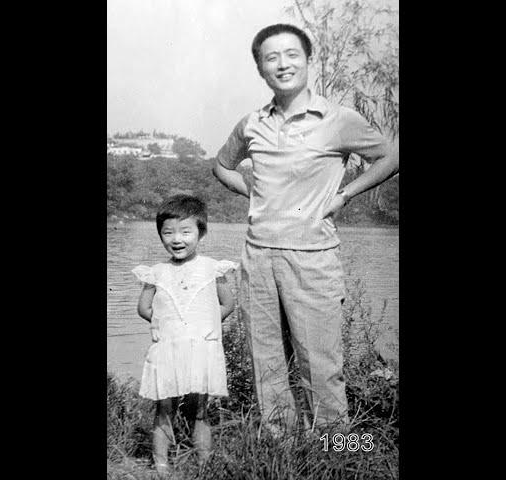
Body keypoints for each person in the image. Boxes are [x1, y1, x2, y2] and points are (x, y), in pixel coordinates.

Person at [212, 24, 399, 432]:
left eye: (292, 54)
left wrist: (346, 194)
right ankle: (282, 452)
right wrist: (255, 193)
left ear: (308, 61)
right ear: (260, 68)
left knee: (321, 367)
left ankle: (340, 453)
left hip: (313, 259)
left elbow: (390, 156)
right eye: (271, 57)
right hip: (257, 258)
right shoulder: (251, 124)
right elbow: (221, 165)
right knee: (268, 365)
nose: (283, 64)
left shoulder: (338, 119)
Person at [132, 195, 237, 473]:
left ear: (200, 233)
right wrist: (164, 323)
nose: (177, 239)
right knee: (163, 409)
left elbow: (227, 304)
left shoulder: (212, 269)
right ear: (160, 235)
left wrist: (206, 326)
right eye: (168, 232)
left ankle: (204, 463)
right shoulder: (157, 272)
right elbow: (144, 307)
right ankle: (162, 465)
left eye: (185, 231)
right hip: (168, 348)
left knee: (200, 411)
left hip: (201, 348)